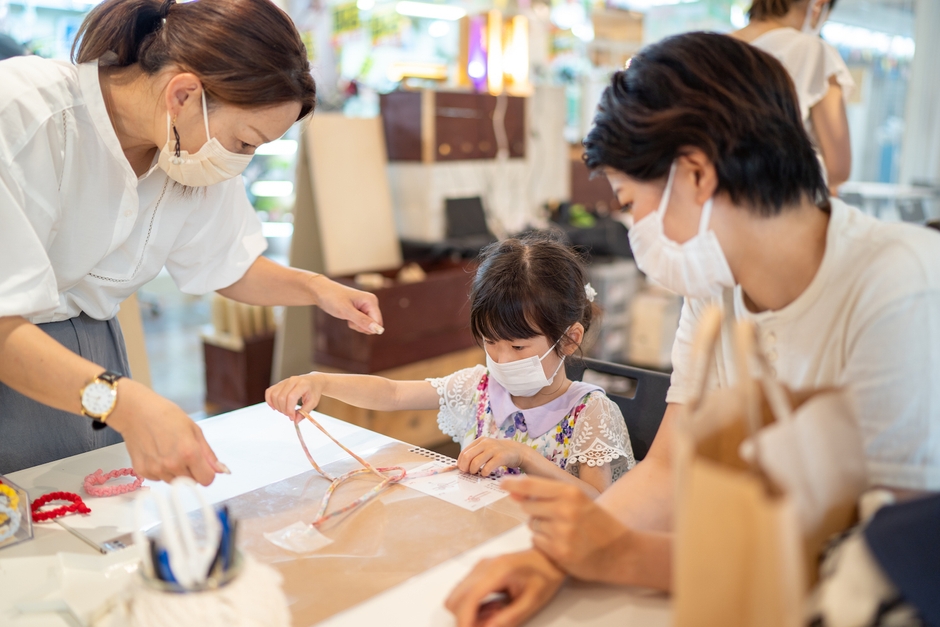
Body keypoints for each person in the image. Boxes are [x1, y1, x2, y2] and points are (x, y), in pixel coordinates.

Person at [445, 32, 940, 627]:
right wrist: (553, 559)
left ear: (698, 175)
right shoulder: (715, 281)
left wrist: (621, 555)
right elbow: (667, 470)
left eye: (631, 203)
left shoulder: (903, 288)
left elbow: (885, 560)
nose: (632, 226)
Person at [0, 0, 385, 484]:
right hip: (18, 352)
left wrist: (316, 288)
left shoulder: (184, 150)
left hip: (96, 353)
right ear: (183, 95)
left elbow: (228, 261)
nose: (241, 160)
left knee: (90, 507)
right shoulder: (23, 113)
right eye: (245, 142)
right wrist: (124, 403)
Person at [266, 234, 635, 497]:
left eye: (518, 346)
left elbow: (600, 504)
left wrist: (525, 457)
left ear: (568, 339)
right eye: (490, 342)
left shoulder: (590, 412)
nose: (501, 359)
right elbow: (392, 394)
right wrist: (320, 382)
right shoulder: (479, 389)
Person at [732, 0, 853, 193]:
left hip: (712, 203)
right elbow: (838, 169)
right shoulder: (814, 52)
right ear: (819, 5)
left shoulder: (708, 51)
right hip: (780, 201)